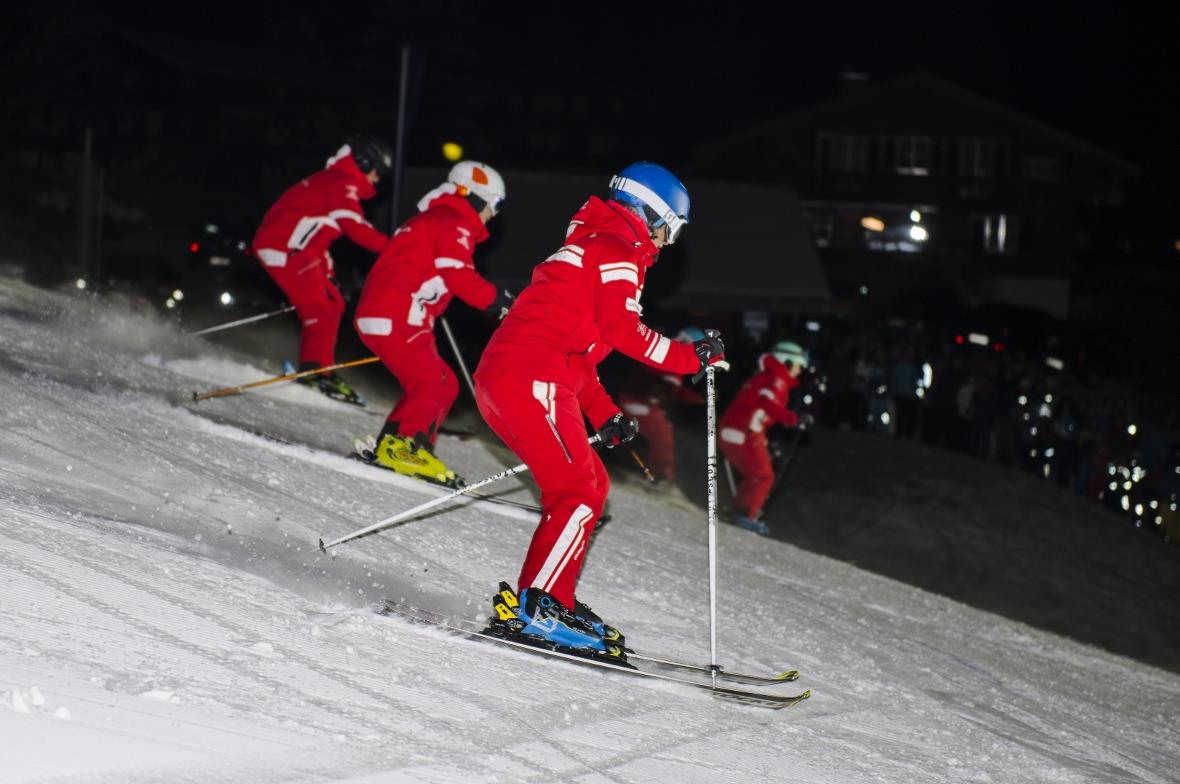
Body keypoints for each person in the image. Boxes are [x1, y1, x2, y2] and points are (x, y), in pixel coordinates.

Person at [474, 162, 727, 658]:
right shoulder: (619, 250)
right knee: (575, 490)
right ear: (651, 214)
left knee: (590, 486)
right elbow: (622, 332)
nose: (666, 242)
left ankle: (553, 599)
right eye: (670, 229)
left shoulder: (595, 243)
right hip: (532, 377)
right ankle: (539, 607)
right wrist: (688, 357)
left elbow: (579, 356)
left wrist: (604, 412)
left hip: (516, 376)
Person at [354, 161, 514, 485]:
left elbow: (420, 268)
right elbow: (458, 275)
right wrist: (499, 301)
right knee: (434, 383)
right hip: (399, 314)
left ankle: (395, 444)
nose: (494, 214)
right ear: (474, 196)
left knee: (437, 382)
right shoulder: (454, 222)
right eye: (494, 204)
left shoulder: (430, 218)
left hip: (384, 312)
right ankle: (404, 447)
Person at [252, 135, 393, 404]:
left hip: (298, 249)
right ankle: (314, 372)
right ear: (363, 162)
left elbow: (318, 237)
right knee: (318, 308)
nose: (377, 178)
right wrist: (397, 249)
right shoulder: (341, 182)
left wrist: (327, 273)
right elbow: (355, 227)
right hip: (285, 247)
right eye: (377, 171)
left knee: (332, 303)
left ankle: (320, 369)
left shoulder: (335, 181)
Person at [719, 340, 810, 535]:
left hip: (736, 430)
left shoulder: (770, 376)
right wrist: (792, 418)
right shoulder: (776, 378)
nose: (799, 371)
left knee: (755, 474)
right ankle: (747, 515)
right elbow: (766, 402)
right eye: (798, 365)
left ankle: (740, 510)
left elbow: (758, 410)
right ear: (787, 362)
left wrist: (763, 432)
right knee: (763, 475)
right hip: (743, 432)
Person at [616, 326, 706, 486]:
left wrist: (697, 398)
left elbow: (672, 388)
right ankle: (660, 475)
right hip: (639, 400)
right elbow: (666, 385)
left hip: (640, 400)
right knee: (663, 436)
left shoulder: (674, 354)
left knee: (662, 432)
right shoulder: (673, 354)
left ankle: (653, 471)